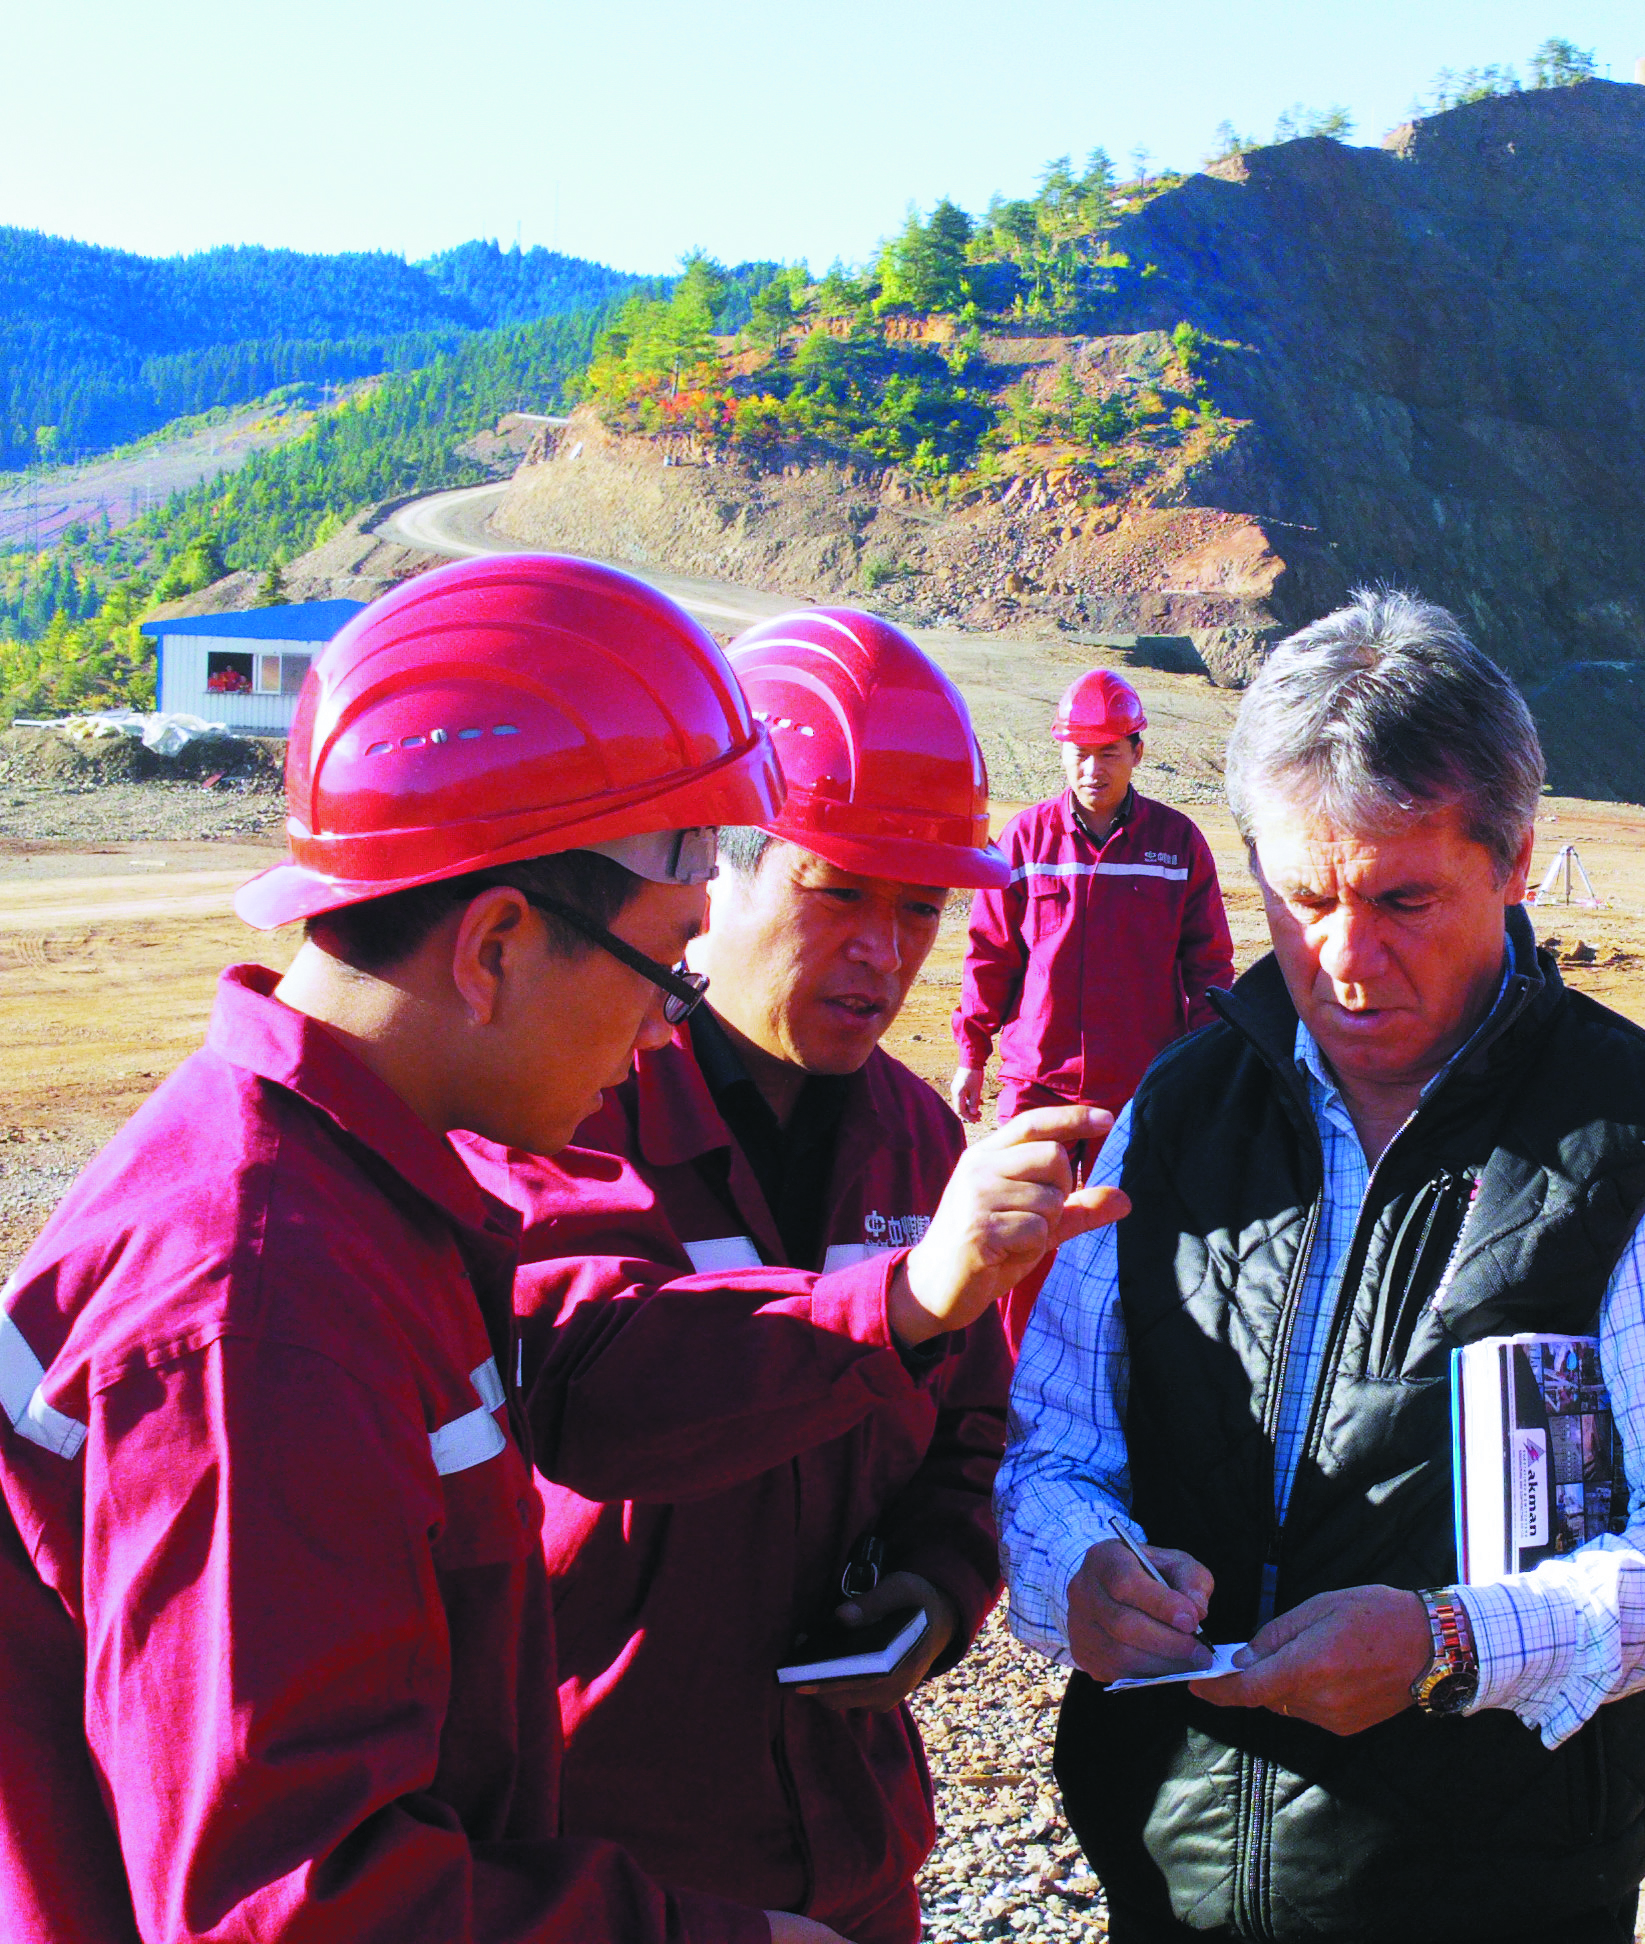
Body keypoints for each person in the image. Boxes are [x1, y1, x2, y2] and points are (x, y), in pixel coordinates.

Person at [0, 557, 1086, 1944]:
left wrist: (935, 1585)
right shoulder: (261, 1305)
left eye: (919, 912)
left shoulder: (349, 1212)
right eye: (664, 959)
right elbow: (301, 1905)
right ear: (498, 942)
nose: (661, 1023)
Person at [997, 591, 1645, 1943]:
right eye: (1303, 900)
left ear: (1516, 861)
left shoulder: (1638, 1142)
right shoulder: (1174, 1118)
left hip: (1499, 1899)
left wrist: (1452, 1645)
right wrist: (1085, 1574)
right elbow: (1052, 1457)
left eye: (1403, 899)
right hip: (1172, 1888)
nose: (1347, 962)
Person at [458, 608, 1101, 1941]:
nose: (887, 946)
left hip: (851, 1850)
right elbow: (600, 1390)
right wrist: (906, 1298)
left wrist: (931, 1596)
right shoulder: (581, 1103)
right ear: (716, 878)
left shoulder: (918, 1137)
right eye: (841, 891)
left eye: (921, 906)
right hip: (606, 1860)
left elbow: (978, 1432)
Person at [949, 668, 1233, 1341]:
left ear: (1137, 751)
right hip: (1036, 1086)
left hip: (1137, 1092)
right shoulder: (1024, 842)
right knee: (1021, 1241)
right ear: (1061, 752)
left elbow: (1208, 969)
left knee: (1127, 1242)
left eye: (1109, 751)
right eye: (1079, 751)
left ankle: (1119, 1384)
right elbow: (990, 955)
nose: (1093, 767)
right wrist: (971, 1054)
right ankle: (1010, 1387)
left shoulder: (1178, 846)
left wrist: (1205, 1073)